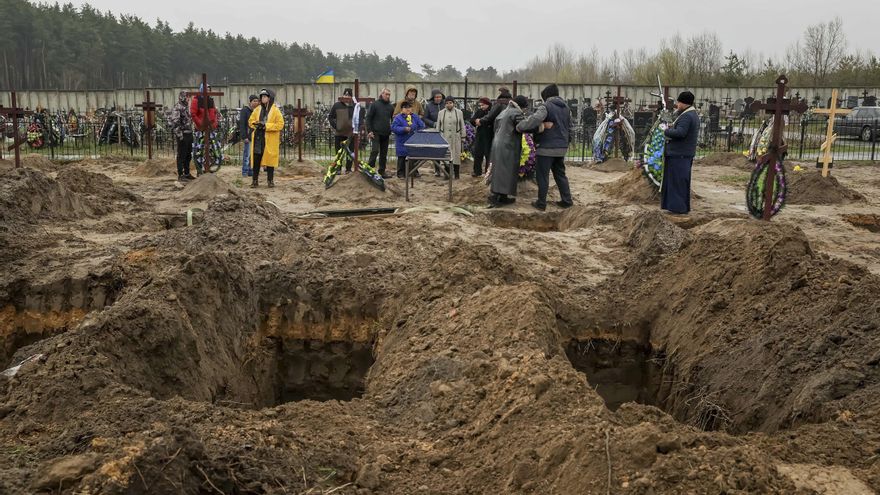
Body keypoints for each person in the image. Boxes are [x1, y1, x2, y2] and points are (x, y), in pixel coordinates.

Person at [516, 83, 574, 211]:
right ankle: (567, 200)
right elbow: (570, 128)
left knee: (542, 176)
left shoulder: (546, 106)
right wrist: (566, 142)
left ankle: (541, 203)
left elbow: (535, 119)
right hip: (561, 148)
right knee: (560, 175)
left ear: (546, 96)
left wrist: (520, 126)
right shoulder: (566, 108)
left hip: (546, 148)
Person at [660, 91, 700, 215]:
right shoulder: (690, 114)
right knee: (679, 182)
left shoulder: (687, 116)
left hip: (679, 154)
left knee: (677, 183)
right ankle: (677, 206)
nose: (677, 104)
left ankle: (678, 208)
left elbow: (681, 133)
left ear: (683, 103)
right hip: (682, 154)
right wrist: (673, 127)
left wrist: (666, 130)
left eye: (678, 102)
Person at [487, 95, 529, 208]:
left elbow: (495, 128)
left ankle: (502, 196)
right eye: (525, 107)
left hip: (497, 144)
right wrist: (538, 125)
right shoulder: (516, 113)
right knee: (506, 171)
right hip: (508, 145)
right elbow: (523, 127)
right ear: (521, 106)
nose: (525, 110)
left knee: (499, 171)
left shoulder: (503, 112)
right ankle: (496, 198)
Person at [248, 88, 284, 188]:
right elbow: (250, 121)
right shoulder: (257, 109)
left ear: (269, 98)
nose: (262, 98)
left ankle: (270, 180)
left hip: (269, 139)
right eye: (262, 96)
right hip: (258, 138)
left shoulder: (275, 110)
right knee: (256, 159)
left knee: (270, 161)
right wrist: (256, 124)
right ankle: (254, 181)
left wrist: (266, 126)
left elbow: (280, 125)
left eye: (264, 96)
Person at [190, 83, 221, 175]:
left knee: (211, 151)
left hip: (210, 129)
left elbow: (214, 113)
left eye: (209, 89)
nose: (208, 91)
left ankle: (209, 169)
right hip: (200, 130)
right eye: (206, 89)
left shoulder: (211, 100)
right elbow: (193, 114)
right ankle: (200, 170)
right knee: (199, 151)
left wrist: (214, 124)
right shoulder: (196, 100)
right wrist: (201, 124)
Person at [391, 101, 426, 178]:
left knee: (413, 157)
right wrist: (403, 129)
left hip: (413, 140)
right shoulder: (398, 118)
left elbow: (422, 125)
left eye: (409, 107)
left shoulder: (415, 117)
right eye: (406, 108)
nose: (408, 109)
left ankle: (413, 172)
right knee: (402, 158)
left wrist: (416, 130)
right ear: (402, 109)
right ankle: (401, 173)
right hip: (402, 141)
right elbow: (394, 128)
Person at [365, 88, 395, 178]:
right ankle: (369, 169)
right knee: (375, 150)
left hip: (386, 133)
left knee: (384, 153)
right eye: (386, 94)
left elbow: (393, 119)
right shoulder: (375, 105)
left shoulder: (390, 107)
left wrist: (392, 128)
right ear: (381, 94)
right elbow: (368, 118)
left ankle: (382, 171)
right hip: (375, 132)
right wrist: (369, 131)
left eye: (389, 95)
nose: (387, 96)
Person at [436, 96, 466, 179]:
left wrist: (463, 136)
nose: (448, 105)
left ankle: (456, 174)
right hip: (444, 137)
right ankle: (447, 174)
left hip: (456, 137)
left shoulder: (459, 112)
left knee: (456, 155)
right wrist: (437, 136)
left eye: (450, 103)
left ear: (453, 103)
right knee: (446, 156)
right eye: (447, 103)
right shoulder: (441, 112)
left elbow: (462, 124)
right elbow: (438, 125)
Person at [329, 88, 356, 173]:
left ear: (351, 97)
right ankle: (338, 169)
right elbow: (330, 117)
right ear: (343, 95)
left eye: (349, 95)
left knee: (350, 153)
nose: (346, 96)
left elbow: (358, 118)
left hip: (350, 134)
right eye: (345, 94)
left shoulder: (354, 106)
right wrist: (336, 126)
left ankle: (348, 169)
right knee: (339, 153)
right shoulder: (337, 105)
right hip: (339, 133)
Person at [170, 91, 195, 181]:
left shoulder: (186, 107)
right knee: (181, 155)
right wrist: (180, 135)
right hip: (183, 134)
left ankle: (187, 173)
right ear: (182, 97)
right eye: (187, 97)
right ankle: (181, 175)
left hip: (189, 133)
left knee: (188, 154)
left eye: (189, 97)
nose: (188, 99)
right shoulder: (177, 107)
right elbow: (175, 123)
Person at [470, 97, 493, 177]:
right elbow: (472, 120)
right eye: (480, 105)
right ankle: (477, 171)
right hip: (480, 135)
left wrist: (482, 122)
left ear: (488, 104)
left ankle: (488, 171)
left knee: (488, 154)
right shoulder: (479, 111)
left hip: (489, 136)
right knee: (478, 153)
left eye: (483, 105)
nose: (481, 107)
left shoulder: (492, 111)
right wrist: (476, 122)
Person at [239, 95, 259, 177]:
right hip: (248, 136)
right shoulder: (245, 111)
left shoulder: (257, 111)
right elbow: (242, 124)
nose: (256, 102)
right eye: (254, 101)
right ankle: (245, 171)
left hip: (255, 136)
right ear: (250, 102)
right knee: (247, 155)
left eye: (257, 101)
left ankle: (251, 171)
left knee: (253, 155)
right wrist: (244, 136)